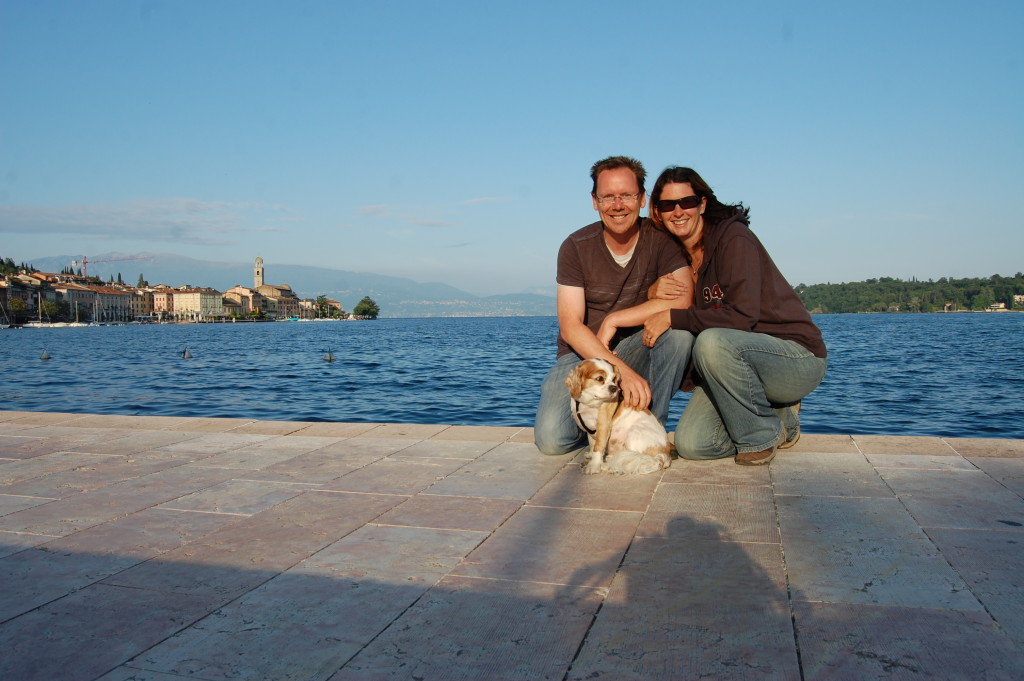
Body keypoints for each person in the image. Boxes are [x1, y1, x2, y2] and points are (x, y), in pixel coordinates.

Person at [598, 166, 827, 465]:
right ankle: (781, 419)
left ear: (702, 204)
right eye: (668, 205)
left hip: (793, 357)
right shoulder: (675, 254)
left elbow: (742, 316)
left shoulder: (734, 239)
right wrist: (654, 291)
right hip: (733, 370)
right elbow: (679, 305)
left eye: (687, 202)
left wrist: (672, 317)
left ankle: (759, 436)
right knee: (694, 445)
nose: (678, 211)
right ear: (658, 212)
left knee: (711, 341)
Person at [534, 156, 696, 456]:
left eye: (627, 195)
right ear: (595, 201)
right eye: (608, 196)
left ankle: (648, 430)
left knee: (679, 333)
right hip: (585, 354)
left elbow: (683, 299)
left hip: (640, 345)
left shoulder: (661, 240)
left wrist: (614, 319)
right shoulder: (575, 247)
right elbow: (571, 326)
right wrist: (620, 370)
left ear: (642, 199)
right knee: (552, 440)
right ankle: (604, 426)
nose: (618, 205)